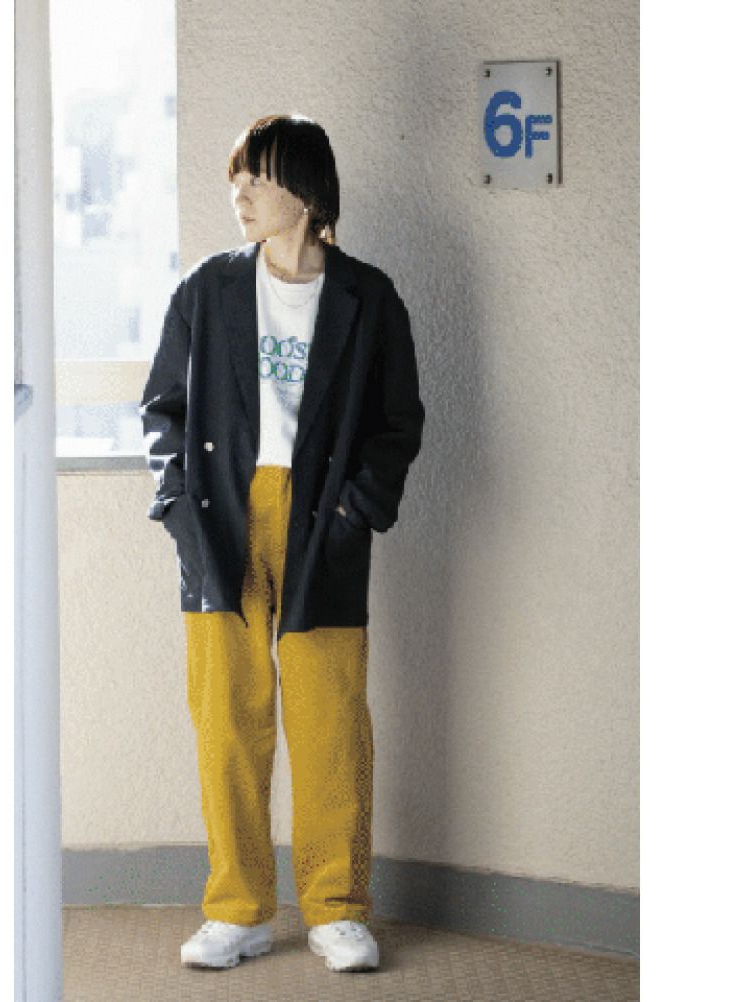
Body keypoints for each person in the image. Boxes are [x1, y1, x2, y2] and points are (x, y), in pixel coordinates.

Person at [139, 113, 425, 973]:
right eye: (238, 180)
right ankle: (238, 909)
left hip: (321, 522)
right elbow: (163, 410)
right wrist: (178, 509)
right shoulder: (208, 290)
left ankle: (336, 908)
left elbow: (397, 422)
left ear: (305, 192)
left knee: (331, 719)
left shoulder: (367, 298)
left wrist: (354, 513)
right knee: (227, 719)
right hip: (222, 518)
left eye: (257, 180)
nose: (241, 195)